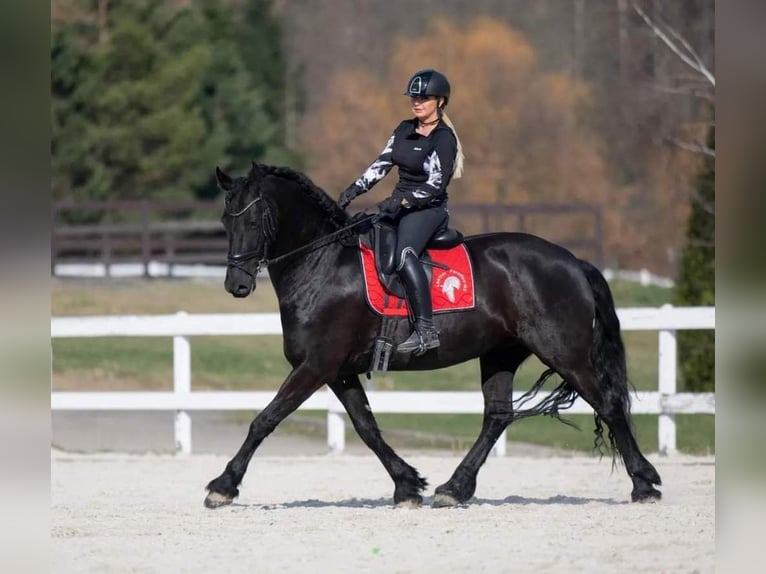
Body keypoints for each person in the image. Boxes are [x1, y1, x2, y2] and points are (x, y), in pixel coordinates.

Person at [337, 68, 465, 356]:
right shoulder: (404, 129)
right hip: (398, 205)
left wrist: (402, 202)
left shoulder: (443, 139)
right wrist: (353, 190)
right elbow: (382, 163)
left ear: (441, 102)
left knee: (405, 253)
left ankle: (425, 330)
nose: (417, 102)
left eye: (424, 98)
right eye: (414, 97)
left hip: (428, 210)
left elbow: (436, 184)